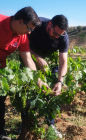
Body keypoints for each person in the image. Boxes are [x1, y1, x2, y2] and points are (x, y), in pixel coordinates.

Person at [0, 6, 49, 140]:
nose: (29, 32)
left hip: (1, 68)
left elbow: (28, 59)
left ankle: (0, 134)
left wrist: (38, 80)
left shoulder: (22, 37)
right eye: (29, 28)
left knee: (0, 100)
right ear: (20, 21)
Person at [28, 15, 69, 138]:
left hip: (49, 63)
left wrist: (60, 82)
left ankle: (50, 125)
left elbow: (63, 62)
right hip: (29, 58)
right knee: (30, 93)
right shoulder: (36, 26)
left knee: (51, 94)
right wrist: (37, 57)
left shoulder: (63, 37)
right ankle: (27, 125)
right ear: (50, 24)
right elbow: (22, 46)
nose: (56, 37)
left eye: (60, 35)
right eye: (55, 33)